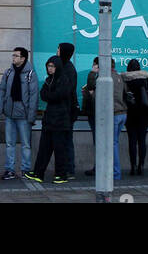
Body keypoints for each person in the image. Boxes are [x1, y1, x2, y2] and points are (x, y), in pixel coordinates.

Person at [26, 55, 73, 184]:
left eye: (52, 66)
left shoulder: (63, 80)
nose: (50, 68)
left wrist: (50, 95)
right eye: (48, 66)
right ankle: (38, 173)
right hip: (49, 119)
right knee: (44, 148)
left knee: (59, 150)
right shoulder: (48, 80)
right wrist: (50, 95)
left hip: (60, 120)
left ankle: (61, 175)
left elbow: (58, 95)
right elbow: (44, 95)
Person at [0, 47, 38, 180]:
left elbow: (33, 96)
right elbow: (2, 90)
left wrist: (31, 116)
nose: (13, 58)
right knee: (10, 143)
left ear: (23, 58)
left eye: (16, 56)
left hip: (24, 115)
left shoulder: (30, 74)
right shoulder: (8, 72)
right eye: (13, 55)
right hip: (10, 113)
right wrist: (0, 108)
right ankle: (9, 169)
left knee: (26, 144)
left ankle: (25, 169)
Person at [122, 59, 148, 175]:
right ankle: (141, 165)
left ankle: (133, 166)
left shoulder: (125, 80)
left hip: (130, 113)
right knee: (142, 140)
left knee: (132, 140)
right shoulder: (146, 79)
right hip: (143, 114)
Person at [57, 43, 79, 175]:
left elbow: (67, 90)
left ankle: (69, 169)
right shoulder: (64, 66)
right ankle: (66, 168)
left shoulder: (68, 69)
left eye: (59, 49)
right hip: (65, 109)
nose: (57, 51)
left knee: (67, 140)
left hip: (67, 110)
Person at [81, 57, 100, 174]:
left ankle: (99, 167)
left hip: (95, 113)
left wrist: (92, 72)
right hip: (94, 113)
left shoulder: (98, 77)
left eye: (94, 65)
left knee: (98, 141)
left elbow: (91, 86)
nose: (93, 67)